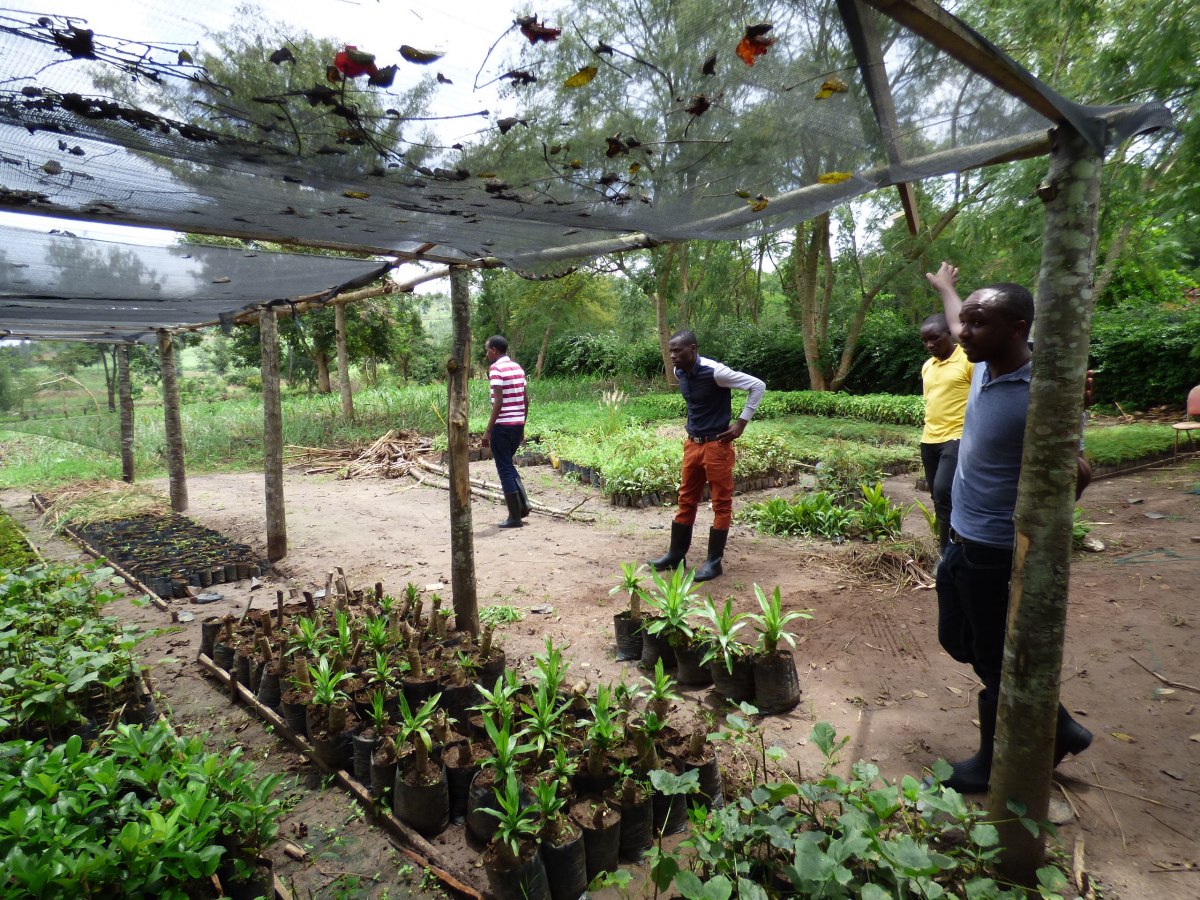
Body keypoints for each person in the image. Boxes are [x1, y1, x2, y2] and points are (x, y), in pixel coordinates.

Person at [924, 261, 1092, 792]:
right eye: (964, 322)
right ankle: (1059, 723)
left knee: (996, 658)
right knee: (959, 639)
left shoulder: (1044, 395)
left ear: (1019, 328)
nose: (962, 333)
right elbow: (956, 322)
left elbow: (1080, 471)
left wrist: (1040, 534)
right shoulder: (981, 365)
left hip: (996, 550)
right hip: (961, 539)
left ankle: (997, 761)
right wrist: (948, 288)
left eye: (977, 325)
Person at [646, 330, 766, 582]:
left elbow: (757, 385)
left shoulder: (716, 372)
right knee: (685, 498)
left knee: (721, 502)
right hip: (692, 444)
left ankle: (714, 562)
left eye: (677, 350)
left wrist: (741, 424)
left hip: (717, 446)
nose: (672, 355)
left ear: (693, 348)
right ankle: (676, 555)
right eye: (670, 351)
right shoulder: (680, 373)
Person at [919, 313, 973, 553]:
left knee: (944, 493)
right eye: (925, 340)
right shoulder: (927, 367)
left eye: (935, 338)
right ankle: (949, 552)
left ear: (949, 334)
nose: (930, 344)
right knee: (939, 500)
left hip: (957, 437)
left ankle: (948, 555)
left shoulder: (968, 360)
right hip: (929, 440)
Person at [482, 335, 530, 529]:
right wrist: (522, 425)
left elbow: (499, 401)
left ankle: (514, 517)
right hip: (517, 424)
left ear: (494, 350)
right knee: (508, 465)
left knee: (504, 468)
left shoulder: (495, 369)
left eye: (487, 350)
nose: (486, 354)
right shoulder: (518, 368)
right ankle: (522, 506)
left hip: (502, 426)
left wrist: (488, 431)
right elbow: (526, 400)